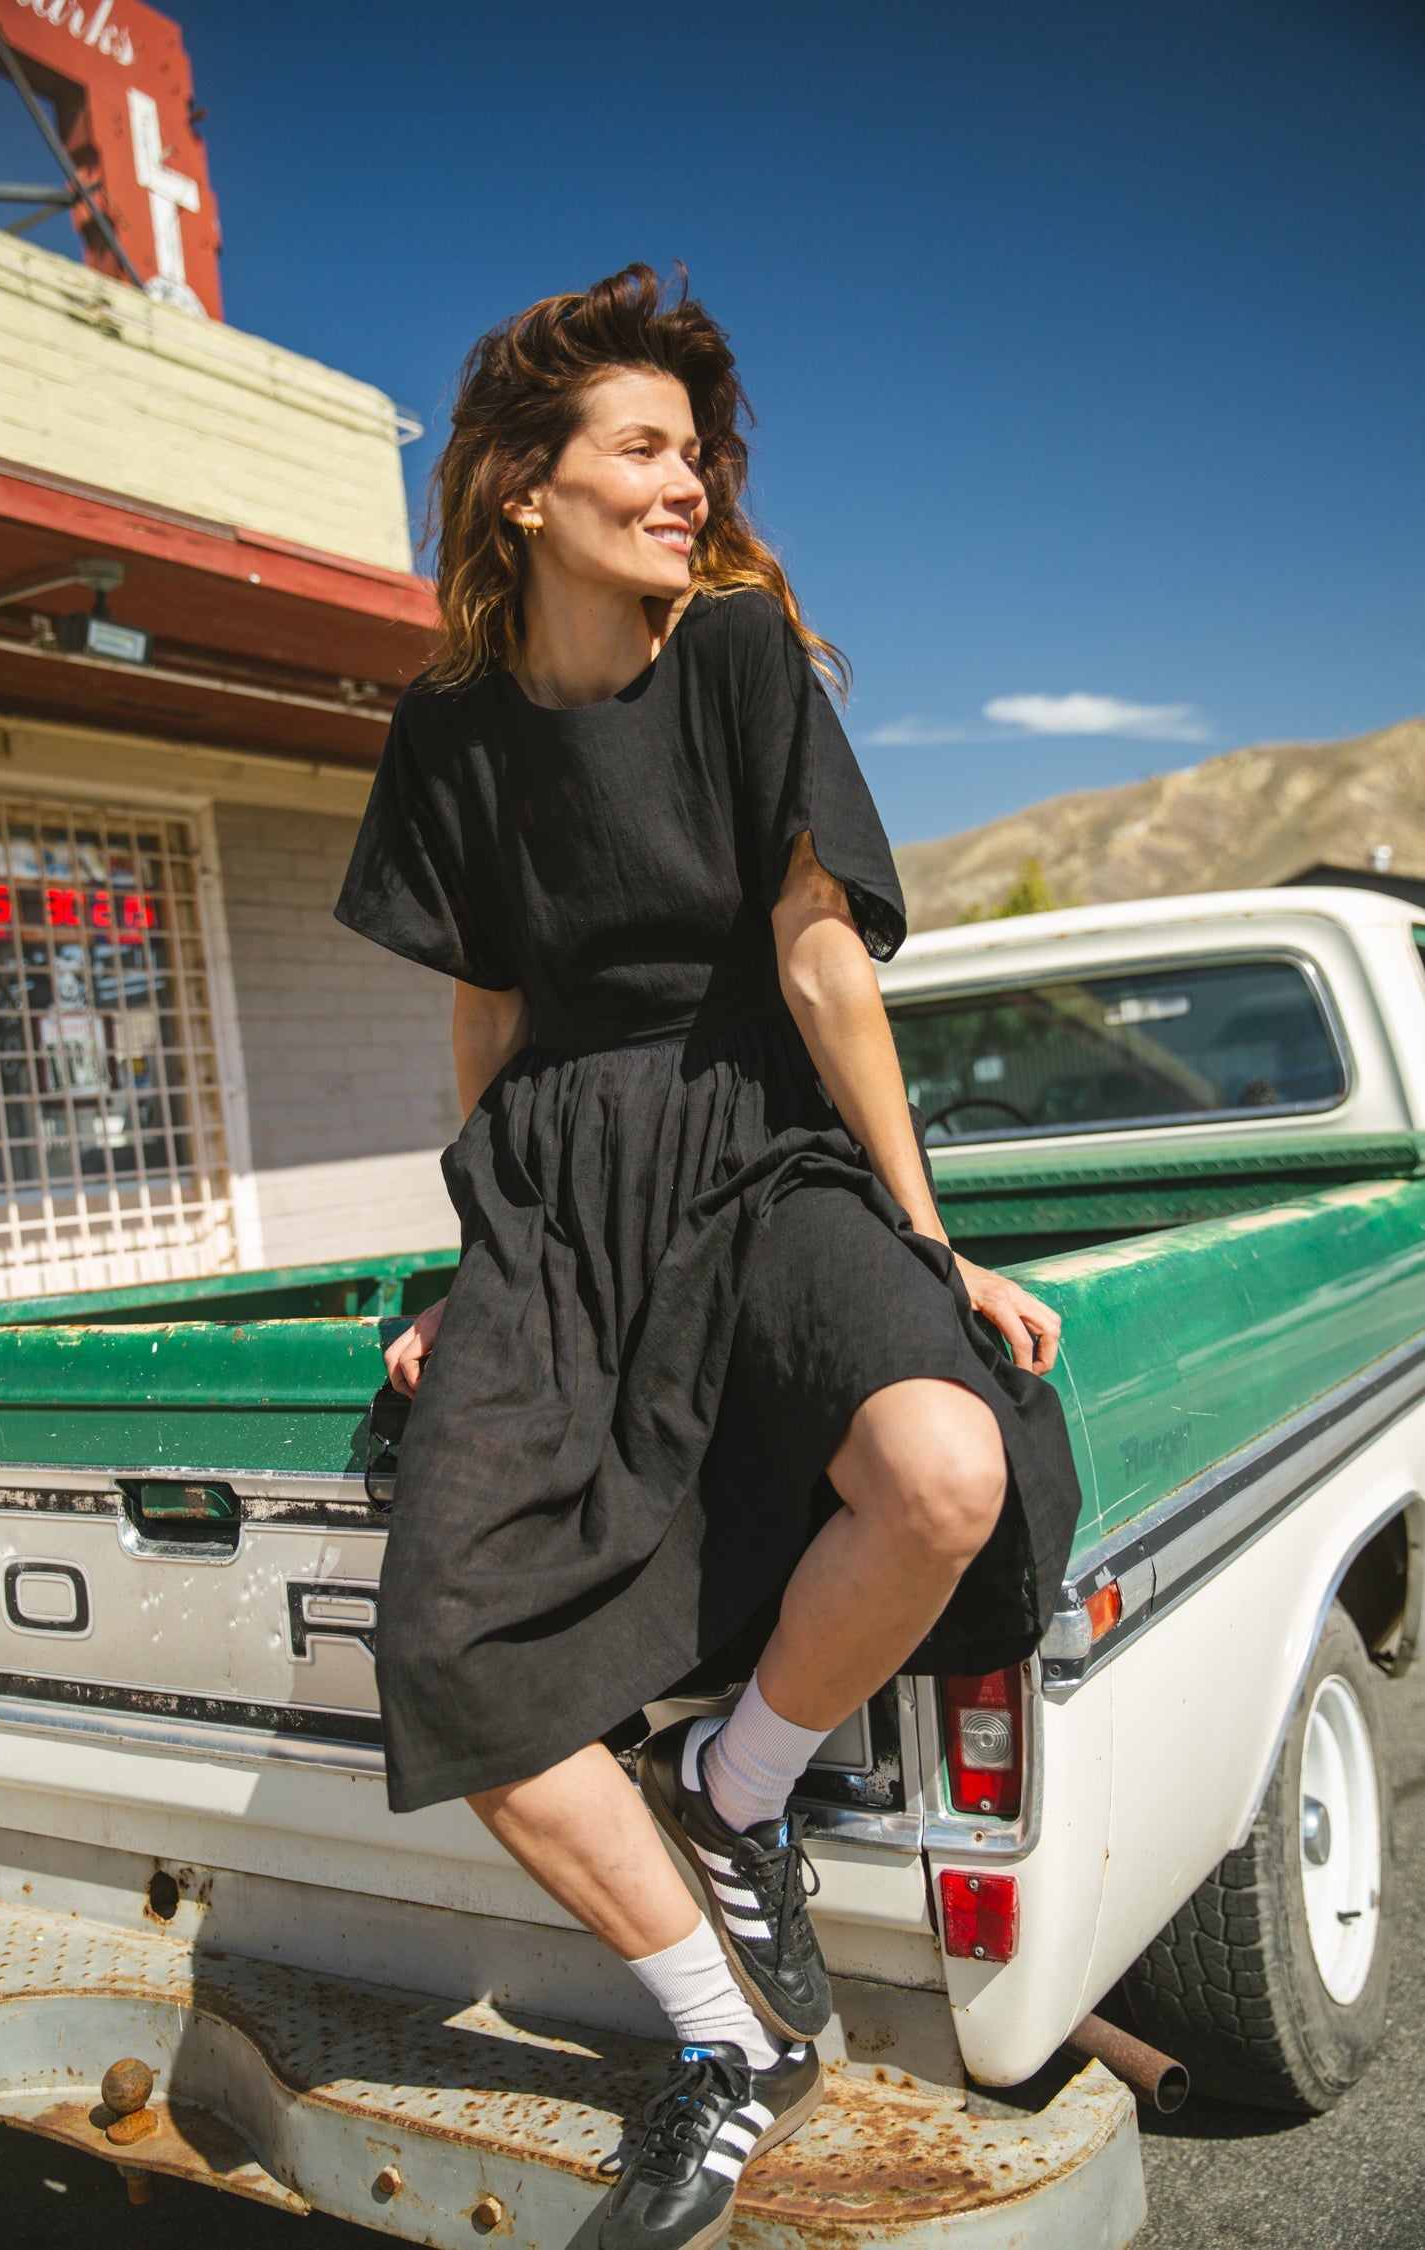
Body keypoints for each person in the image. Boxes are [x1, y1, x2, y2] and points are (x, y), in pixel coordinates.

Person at [335, 264, 1080, 2250]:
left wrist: (929, 1239)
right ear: (522, 488)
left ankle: (739, 1791)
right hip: (565, 1189)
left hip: (764, 1145)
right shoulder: (452, 740)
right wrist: (467, 1255)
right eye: (641, 450)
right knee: (448, 1650)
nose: (686, 484)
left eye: (694, 454)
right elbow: (487, 1022)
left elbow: (820, 961)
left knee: (943, 1462)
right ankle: (720, 2037)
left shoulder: (744, 659)